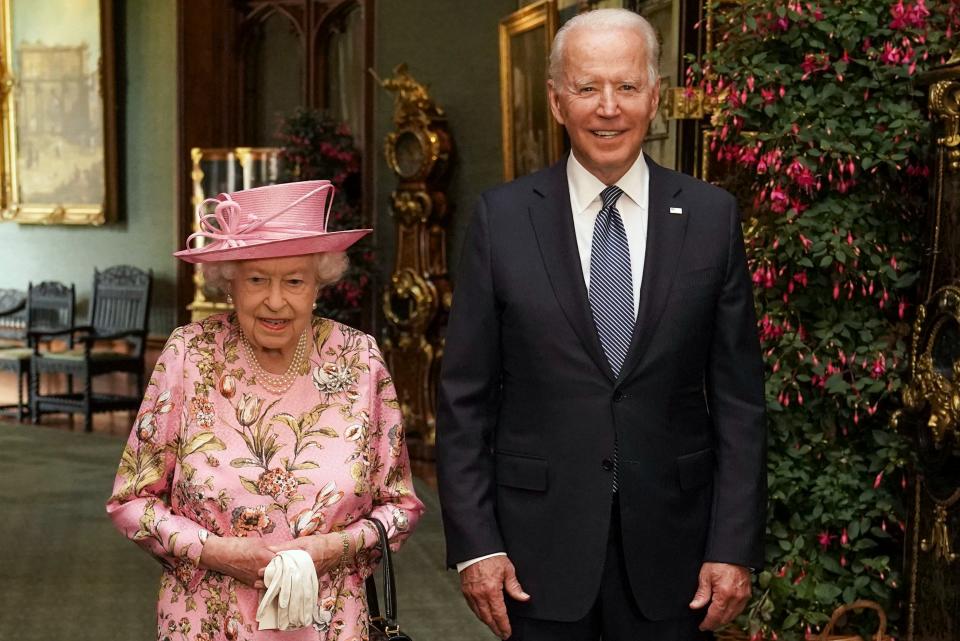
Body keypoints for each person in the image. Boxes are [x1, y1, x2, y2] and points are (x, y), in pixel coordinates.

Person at [436, 9, 766, 641]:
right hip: (533, 555)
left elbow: (738, 401)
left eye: (627, 86)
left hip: (678, 556)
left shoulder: (711, 217)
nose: (608, 108)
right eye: (587, 88)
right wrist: (476, 546)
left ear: (655, 96)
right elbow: (464, 399)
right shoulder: (502, 219)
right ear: (557, 102)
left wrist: (733, 545)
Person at [106, 180, 424, 641]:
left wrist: (336, 547)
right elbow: (131, 501)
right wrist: (214, 551)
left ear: (320, 283)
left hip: (332, 623)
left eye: (294, 281)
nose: (276, 301)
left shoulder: (359, 359)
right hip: (209, 624)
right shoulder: (189, 354)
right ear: (229, 282)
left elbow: (400, 507)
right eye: (257, 279)